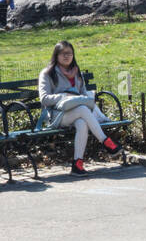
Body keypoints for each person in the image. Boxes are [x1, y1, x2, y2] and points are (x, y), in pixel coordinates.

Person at [37, 41, 121, 175]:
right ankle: (105, 141)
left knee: (82, 123)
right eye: (63, 53)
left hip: (77, 113)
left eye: (69, 53)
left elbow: (83, 94)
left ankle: (77, 164)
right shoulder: (47, 73)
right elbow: (44, 98)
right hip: (56, 115)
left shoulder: (76, 72)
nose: (66, 56)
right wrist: (64, 96)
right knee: (83, 110)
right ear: (56, 55)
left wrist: (77, 98)